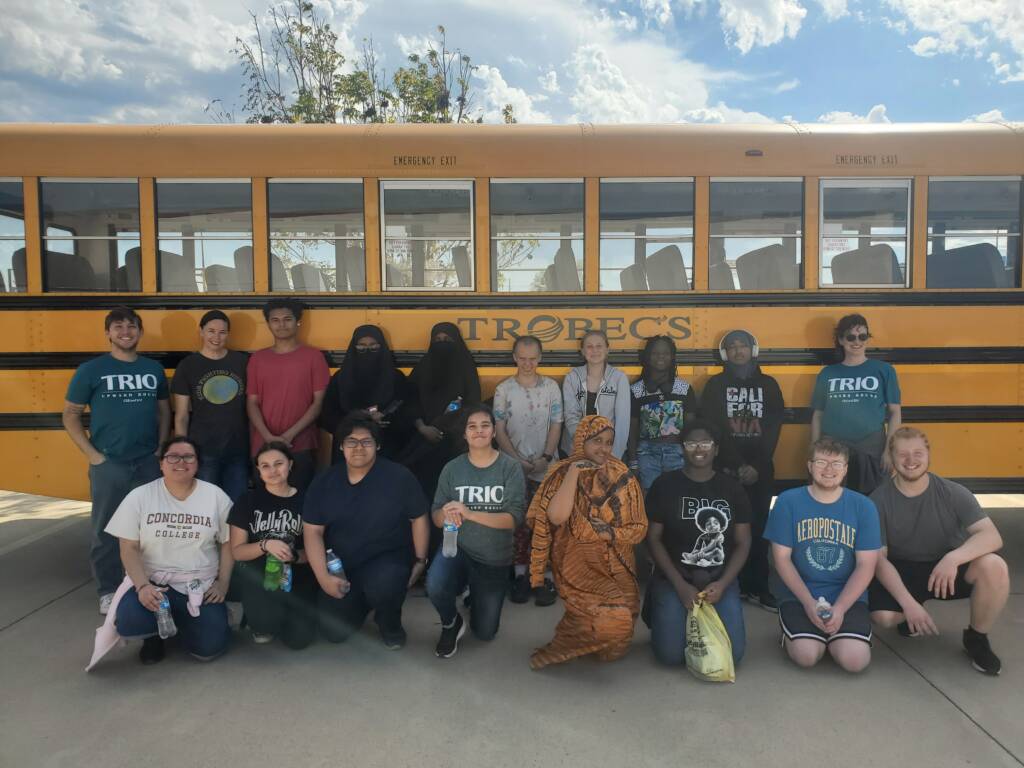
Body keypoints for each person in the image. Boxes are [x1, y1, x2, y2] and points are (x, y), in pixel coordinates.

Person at [869, 427, 1009, 675]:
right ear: (891, 457)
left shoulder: (953, 492)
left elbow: (991, 536)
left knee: (994, 566)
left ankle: (976, 638)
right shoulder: (877, 500)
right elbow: (879, 561)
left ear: (928, 454)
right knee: (884, 618)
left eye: (917, 453)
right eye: (902, 454)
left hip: (946, 569)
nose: (911, 460)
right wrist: (908, 603)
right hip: (903, 569)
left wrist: (953, 558)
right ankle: (912, 612)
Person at [63, 306, 170, 615]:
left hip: (147, 462)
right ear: (108, 333)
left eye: (132, 326)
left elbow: (164, 411)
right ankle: (108, 589)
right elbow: (70, 414)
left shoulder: (153, 370)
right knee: (106, 528)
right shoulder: (91, 370)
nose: (126, 331)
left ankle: (146, 581)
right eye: (119, 326)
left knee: (150, 527)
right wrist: (93, 455)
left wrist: (161, 447)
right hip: (110, 463)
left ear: (140, 332)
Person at [527, 415, 647, 669]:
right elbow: (557, 517)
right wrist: (573, 473)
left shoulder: (622, 475)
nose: (603, 448)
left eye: (609, 442)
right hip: (576, 559)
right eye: (596, 441)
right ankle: (568, 641)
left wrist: (610, 534)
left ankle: (575, 629)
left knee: (614, 647)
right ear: (582, 440)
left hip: (618, 558)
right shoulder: (561, 472)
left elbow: (638, 529)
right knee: (615, 620)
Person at [304, 414, 430, 650]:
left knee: (385, 585)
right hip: (340, 565)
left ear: (378, 446)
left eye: (366, 441)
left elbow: (419, 518)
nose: (359, 448)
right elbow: (312, 532)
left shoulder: (399, 477)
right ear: (341, 446)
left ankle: (389, 623)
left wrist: (420, 560)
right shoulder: (325, 481)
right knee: (333, 633)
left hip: (386, 560)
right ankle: (362, 604)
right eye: (351, 441)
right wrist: (323, 577)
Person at [104, 437, 233, 664]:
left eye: (188, 457)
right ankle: (154, 637)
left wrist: (222, 583)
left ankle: (185, 623)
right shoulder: (140, 496)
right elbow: (128, 547)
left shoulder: (215, 496)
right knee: (130, 620)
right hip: (153, 581)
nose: (180, 462)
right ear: (161, 463)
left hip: (197, 583)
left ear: (198, 463)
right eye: (172, 456)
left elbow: (228, 542)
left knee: (209, 649)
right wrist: (142, 586)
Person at [764, 438, 881, 672]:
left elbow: (866, 565)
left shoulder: (863, 506)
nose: (829, 470)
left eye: (837, 464)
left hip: (846, 594)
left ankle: (834, 637)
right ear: (809, 466)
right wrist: (808, 603)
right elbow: (781, 559)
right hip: (799, 593)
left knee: (855, 661)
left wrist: (839, 609)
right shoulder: (788, 501)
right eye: (821, 462)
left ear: (846, 469)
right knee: (806, 656)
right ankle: (798, 636)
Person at [645, 420, 751, 667]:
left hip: (718, 579)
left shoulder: (731, 488)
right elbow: (653, 539)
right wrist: (680, 586)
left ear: (716, 449)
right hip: (675, 578)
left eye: (706, 443)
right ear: (682, 448)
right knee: (670, 656)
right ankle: (663, 612)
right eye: (691, 443)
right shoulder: (665, 485)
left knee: (732, 656)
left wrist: (723, 584)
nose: (698, 448)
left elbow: (743, 542)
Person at [427, 405, 526, 658]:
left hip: (493, 558)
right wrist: (445, 514)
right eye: (472, 426)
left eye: (485, 425)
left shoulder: (510, 468)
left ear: (494, 431)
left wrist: (469, 513)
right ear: (464, 434)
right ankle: (451, 622)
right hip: (457, 548)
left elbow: (512, 520)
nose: (478, 431)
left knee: (485, 632)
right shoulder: (452, 468)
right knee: (435, 584)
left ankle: (475, 595)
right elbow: (436, 516)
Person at [700, 329, 785, 612]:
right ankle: (729, 585)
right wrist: (737, 465)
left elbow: (773, 428)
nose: (738, 351)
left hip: (761, 469)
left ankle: (759, 587)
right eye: (732, 347)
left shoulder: (770, 385)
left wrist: (757, 466)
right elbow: (714, 429)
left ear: (753, 349)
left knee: (760, 528)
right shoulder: (715, 386)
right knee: (723, 529)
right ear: (725, 353)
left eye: (743, 346)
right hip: (726, 468)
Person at [492, 335, 563, 606]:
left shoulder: (551, 388)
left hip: (547, 465)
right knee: (519, 523)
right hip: (514, 467)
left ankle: (543, 577)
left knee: (545, 523)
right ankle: (521, 575)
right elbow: (499, 429)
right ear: (514, 358)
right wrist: (516, 459)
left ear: (540, 358)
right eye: (522, 358)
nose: (527, 363)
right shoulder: (504, 390)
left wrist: (546, 455)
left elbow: (557, 423)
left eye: (533, 358)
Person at [229, 442, 317, 649]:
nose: (273, 470)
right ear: (258, 470)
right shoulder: (247, 500)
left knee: (299, 640)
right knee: (264, 626)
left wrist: (294, 556)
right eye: (265, 465)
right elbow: (237, 552)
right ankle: (260, 617)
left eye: (279, 463)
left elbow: (315, 551)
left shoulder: (308, 500)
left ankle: (288, 613)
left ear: (290, 465)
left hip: (296, 576)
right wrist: (265, 544)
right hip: (260, 576)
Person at [811, 314, 901, 494]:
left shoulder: (884, 371)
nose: (857, 341)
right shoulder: (827, 374)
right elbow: (818, 415)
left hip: (872, 448)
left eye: (862, 336)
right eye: (850, 337)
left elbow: (895, 413)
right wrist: (813, 449)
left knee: (874, 502)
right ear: (841, 340)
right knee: (832, 499)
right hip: (833, 448)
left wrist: (889, 450)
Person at [246, 299, 330, 492]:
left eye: (287, 319)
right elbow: (252, 402)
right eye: (275, 320)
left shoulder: (314, 357)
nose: (281, 324)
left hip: (301, 445)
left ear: (297, 322)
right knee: (265, 506)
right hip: (263, 446)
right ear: (268, 324)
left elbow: (318, 403)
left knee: (301, 503)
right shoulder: (258, 359)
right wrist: (268, 437)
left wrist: (287, 436)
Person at [398, 322, 482, 503]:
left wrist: (449, 421)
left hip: (456, 444)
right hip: (421, 443)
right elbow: (410, 402)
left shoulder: (466, 367)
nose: (442, 343)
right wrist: (422, 428)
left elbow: (474, 404)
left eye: (447, 339)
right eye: (437, 340)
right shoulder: (423, 367)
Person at [172, 309, 249, 501]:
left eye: (222, 332)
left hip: (238, 448)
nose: (216, 337)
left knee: (236, 505)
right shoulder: (188, 365)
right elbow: (181, 415)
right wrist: (183, 450)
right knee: (206, 504)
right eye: (211, 331)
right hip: (203, 449)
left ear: (228, 334)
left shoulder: (242, 362)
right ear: (201, 331)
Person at [319, 324, 411, 462]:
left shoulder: (396, 378)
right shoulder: (341, 378)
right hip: (349, 449)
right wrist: (355, 422)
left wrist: (385, 418)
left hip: (388, 448)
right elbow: (327, 414)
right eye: (361, 346)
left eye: (373, 346)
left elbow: (406, 409)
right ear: (353, 347)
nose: (367, 350)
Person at [626, 335, 698, 491]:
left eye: (665, 353)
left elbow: (691, 428)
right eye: (655, 353)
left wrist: (691, 458)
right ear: (647, 357)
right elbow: (632, 428)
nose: (660, 356)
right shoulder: (637, 390)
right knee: (651, 501)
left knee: (677, 499)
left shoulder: (684, 389)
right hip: (647, 454)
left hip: (677, 453)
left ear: (672, 357)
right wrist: (633, 462)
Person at [561, 329, 630, 460]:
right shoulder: (572, 377)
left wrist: (613, 456)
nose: (595, 350)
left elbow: (622, 422)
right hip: (576, 451)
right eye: (589, 346)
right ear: (582, 351)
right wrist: (582, 449)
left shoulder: (619, 378)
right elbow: (571, 416)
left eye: (599, 346)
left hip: (609, 451)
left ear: (607, 349)